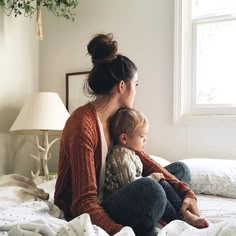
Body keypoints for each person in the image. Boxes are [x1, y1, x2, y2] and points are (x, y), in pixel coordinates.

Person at [54, 33, 206, 236]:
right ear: (122, 86)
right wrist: (118, 232)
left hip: (115, 190)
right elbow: (84, 202)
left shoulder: (116, 118)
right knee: (151, 191)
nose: (136, 91)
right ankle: (174, 217)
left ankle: (173, 213)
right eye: (136, 85)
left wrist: (187, 192)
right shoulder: (82, 123)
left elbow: (140, 157)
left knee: (180, 171)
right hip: (89, 205)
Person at [104, 107, 209, 228]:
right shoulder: (121, 155)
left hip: (140, 187)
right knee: (159, 184)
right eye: (142, 136)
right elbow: (130, 185)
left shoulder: (131, 151)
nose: (145, 140)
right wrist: (153, 178)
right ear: (124, 138)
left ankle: (172, 209)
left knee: (181, 169)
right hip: (124, 201)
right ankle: (181, 215)